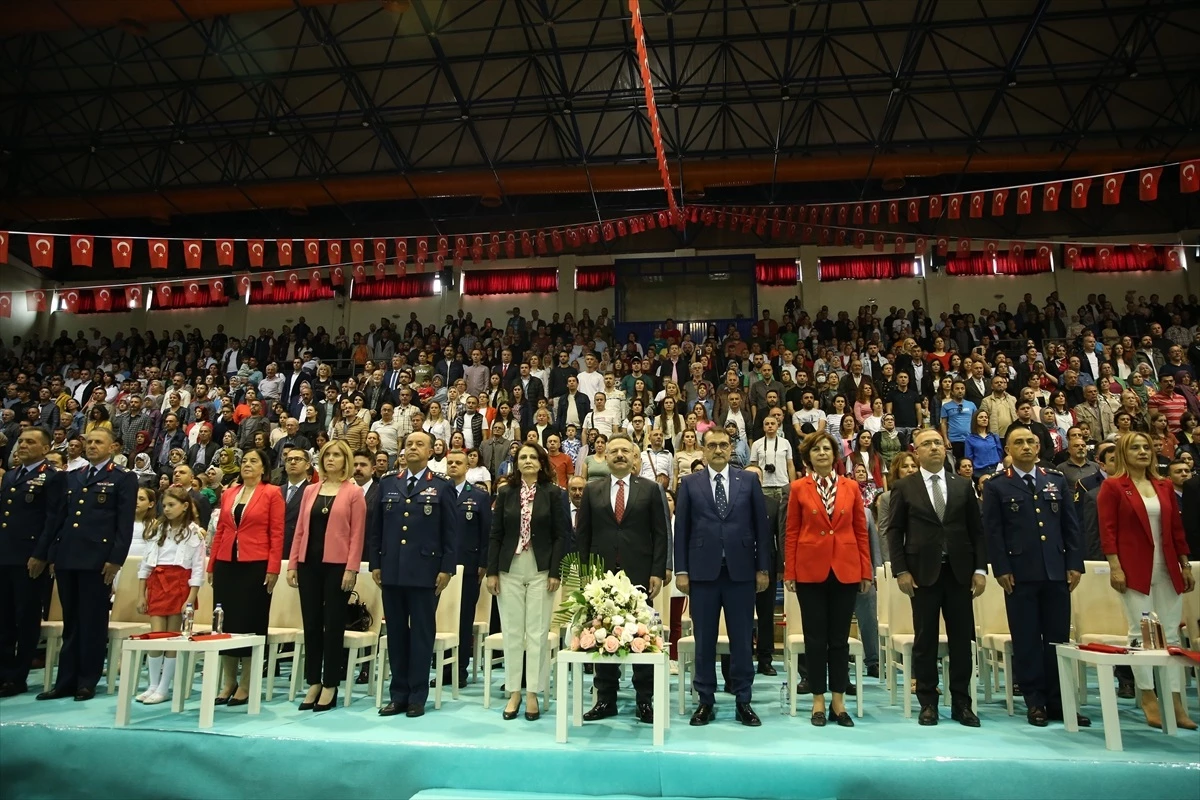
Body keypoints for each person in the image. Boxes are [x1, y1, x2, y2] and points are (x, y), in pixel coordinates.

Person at [982, 427, 1090, 728]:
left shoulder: (1055, 480)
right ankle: (1035, 701)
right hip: (1019, 573)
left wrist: (1074, 563)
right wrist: (1001, 568)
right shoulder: (997, 486)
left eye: (1031, 441)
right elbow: (993, 532)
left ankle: (1060, 701)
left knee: (1058, 640)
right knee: (1027, 639)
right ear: (1008, 449)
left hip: (1056, 570)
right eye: (1019, 442)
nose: (1026, 446)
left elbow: (1070, 526)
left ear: (1040, 447)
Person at [886, 428, 986, 727]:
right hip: (922, 575)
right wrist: (901, 570)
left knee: (961, 640)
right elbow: (894, 531)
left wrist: (980, 569)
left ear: (946, 449)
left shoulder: (962, 485)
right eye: (926, 444)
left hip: (959, 574)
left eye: (937, 443)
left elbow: (977, 531)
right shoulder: (905, 486)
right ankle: (928, 702)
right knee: (925, 640)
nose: (933, 448)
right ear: (915, 451)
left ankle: (961, 703)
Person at [674, 426, 772, 727]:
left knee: (742, 639)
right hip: (702, 572)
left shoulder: (749, 481)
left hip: (741, 572)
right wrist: (681, 569)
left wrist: (763, 567)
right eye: (712, 445)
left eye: (723, 445)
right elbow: (683, 531)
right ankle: (705, 699)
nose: (718, 450)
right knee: (704, 639)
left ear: (732, 449)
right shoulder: (690, 483)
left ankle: (743, 699)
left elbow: (761, 528)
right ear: (704, 450)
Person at [1097, 431, 1195, 730]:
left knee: (1172, 636)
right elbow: (1108, 530)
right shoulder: (1113, 486)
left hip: (1168, 568)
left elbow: (1176, 529)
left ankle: (1175, 698)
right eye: (1135, 448)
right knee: (1141, 634)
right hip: (1133, 569)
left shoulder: (1164, 485)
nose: (1143, 452)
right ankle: (1148, 696)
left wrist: (1185, 563)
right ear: (1124, 453)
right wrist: (1114, 567)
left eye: (1146, 447)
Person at [576, 432, 669, 724]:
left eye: (625, 451)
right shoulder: (593, 490)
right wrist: (584, 574)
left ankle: (644, 700)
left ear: (634, 458)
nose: (619, 455)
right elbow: (583, 535)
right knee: (601, 633)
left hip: (640, 573)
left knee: (643, 635)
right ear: (606, 456)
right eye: (614, 450)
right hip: (601, 575)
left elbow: (660, 533)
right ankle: (606, 699)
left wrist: (658, 570)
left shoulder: (651, 489)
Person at [38, 429, 136, 702]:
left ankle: (87, 681)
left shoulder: (122, 478)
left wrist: (115, 559)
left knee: (92, 622)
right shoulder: (73, 477)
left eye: (97, 442)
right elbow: (61, 518)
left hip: (98, 559)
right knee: (71, 621)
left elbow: (123, 524)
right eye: (88, 442)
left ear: (113, 447)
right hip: (68, 556)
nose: (91, 446)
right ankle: (65, 681)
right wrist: (52, 554)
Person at [784, 432, 871, 727]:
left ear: (835, 454)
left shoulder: (851, 487)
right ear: (808, 457)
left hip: (846, 569)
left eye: (827, 449)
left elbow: (861, 531)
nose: (822, 453)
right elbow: (792, 532)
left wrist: (866, 571)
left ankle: (838, 701)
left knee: (839, 640)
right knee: (815, 638)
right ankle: (818, 700)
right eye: (816, 449)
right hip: (810, 570)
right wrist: (790, 571)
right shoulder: (797, 488)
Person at [370, 431, 457, 719]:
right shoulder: (388, 484)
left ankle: (417, 695)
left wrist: (446, 568)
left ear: (431, 451)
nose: (413, 448)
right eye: (409, 444)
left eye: (420, 444)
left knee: (421, 634)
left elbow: (450, 533)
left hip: (425, 572)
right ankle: (398, 695)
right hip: (392, 571)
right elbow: (377, 530)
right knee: (395, 634)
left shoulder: (442, 487)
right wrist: (375, 564)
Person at [487, 442, 565, 722]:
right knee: (512, 632)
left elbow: (561, 535)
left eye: (533, 457)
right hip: (509, 568)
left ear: (542, 463)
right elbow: (495, 534)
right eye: (523, 457)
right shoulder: (506, 492)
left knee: (537, 632)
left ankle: (532, 692)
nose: (528, 460)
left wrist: (556, 571)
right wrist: (492, 571)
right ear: (516, 463)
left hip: (541, 568)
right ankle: (514, 692)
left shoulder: (554, 494)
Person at [287, 440, 366, 713]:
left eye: (336, 455)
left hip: (338, 566)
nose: (331, 459)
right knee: (311, 624)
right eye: (327, 455)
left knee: (333, 625)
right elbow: (299, 530)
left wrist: (351, 568)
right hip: (309, 564)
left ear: (345, 460)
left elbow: (357, 535)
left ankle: (331, 682)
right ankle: (313, 681)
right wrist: (293, 564)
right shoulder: (310, 490)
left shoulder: (354, 493)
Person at [207, 447, 284, 705]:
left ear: (264, 468)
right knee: (225, 623)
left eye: (254, 461)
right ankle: (229, 681)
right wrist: (212, 564)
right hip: (227, 563)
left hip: (256, 564)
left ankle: (248, 683)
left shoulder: (272, 493)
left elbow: (277, 533)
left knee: (250, 622)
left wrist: (273, 568)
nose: (248, 464)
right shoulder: (229, 493)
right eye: (245, 461)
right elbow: (220, 531)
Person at [0, 428, 65, 698]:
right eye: (21, 441)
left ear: (46, 447)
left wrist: (41, 554)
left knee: (25, 618)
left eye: (30, 442)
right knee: (3, 618)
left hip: (29, 558)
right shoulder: (13, 475)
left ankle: (18, 676)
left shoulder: (51, 478)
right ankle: (3, 672)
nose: (23, 445)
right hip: (5, 555)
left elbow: (53, 519)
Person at [134, 486, 206, 705]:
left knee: (173, 638)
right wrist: (141, 595)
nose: (167, 509)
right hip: (157, 583)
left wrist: (190, 599)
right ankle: (153, 684)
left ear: (185, 507)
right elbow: (146, 565)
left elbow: (197, 569)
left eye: (172, 505)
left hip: (179, 585)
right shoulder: (157, 529)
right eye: (164, 505)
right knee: (156, 637)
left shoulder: (194, 533)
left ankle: (165, 686)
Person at [436, 449, 491, 689]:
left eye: (459, 462)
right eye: (450, 463)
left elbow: (486, 533)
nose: (454, 466)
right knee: (439, 617)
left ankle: (459, 669)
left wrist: (483, 564)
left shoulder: (478, 496)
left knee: (463, 618)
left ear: (467, 467)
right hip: (438, 567)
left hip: (468, 567)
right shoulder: (437, 493)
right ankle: (441, 667)